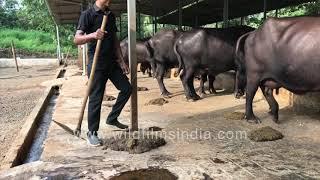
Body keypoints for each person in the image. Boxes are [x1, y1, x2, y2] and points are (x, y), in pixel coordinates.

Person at [74, 0, 132, 146]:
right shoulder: (87, 15)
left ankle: (112, 118)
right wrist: (93, 35)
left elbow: (114, 40)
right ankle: (92, 132)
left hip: (112, 63)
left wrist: (121, 61)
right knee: (96, 98)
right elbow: (77, 39)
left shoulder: (110, 15)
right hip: (96, 64)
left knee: (127, 89)